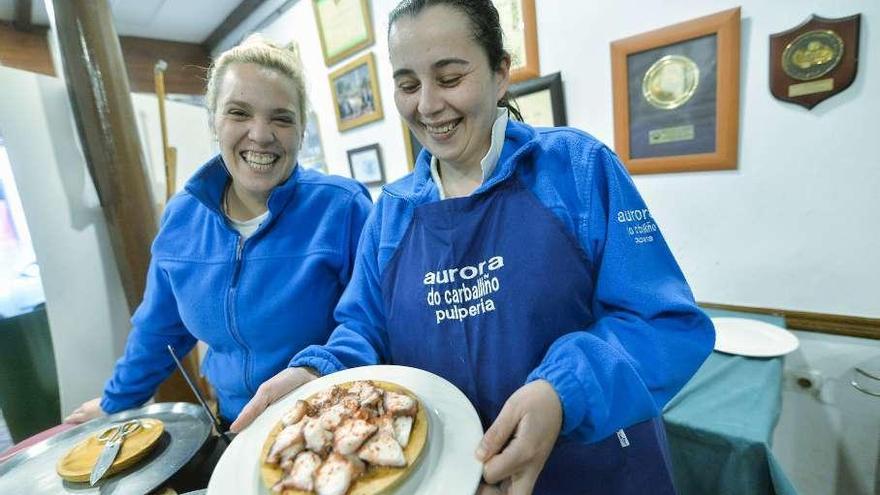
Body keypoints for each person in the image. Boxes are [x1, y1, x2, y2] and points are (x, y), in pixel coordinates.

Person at [244, 2, 714, 494]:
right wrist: (317, 377)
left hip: (595, 471)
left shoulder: (577, 169)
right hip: (454, 478)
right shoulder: (392, 212)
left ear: (500, 73)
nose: (426, 105)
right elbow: (364, 332)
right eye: (407, 85)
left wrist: (563, 392)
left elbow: (664, 323)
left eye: (449, 78)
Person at [64, 35, 373, 430]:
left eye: (281, 118)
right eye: (239, 113)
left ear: (301, 130)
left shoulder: (342, 207)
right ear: (213, 119)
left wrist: (318, 371)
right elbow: (160, 329)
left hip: (335, 411)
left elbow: (371, 318)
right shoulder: (181, 218)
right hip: (236, 425)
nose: (260, 135)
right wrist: (115, 403)